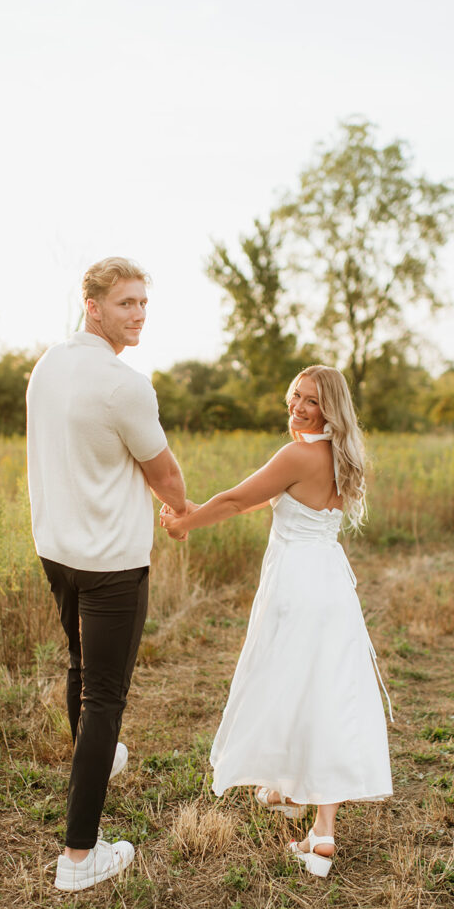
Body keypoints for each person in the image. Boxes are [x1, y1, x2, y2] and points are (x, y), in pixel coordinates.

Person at [161, 365, 393, 878]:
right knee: (325, 693)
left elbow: (238, 498)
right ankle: (320, 827)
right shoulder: (341, 455)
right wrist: (198, 509)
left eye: (311, 400)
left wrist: (184, 521)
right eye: (294, 395)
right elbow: (267, 500)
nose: (298, 406)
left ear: (330, 407)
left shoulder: (298, 454)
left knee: (291, 684)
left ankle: (289, 791)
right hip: (332, 585)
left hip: (297, 586)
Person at [27, 256, 187, 891]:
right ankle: (78, 858)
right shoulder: (125, 384)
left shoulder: (47, 366)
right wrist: (181, 510)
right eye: (126, 302)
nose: (140, 313)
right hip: (112, 564)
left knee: (79, 665)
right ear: (92, 305)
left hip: (57, 551)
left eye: (144, 302)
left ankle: (97, 761)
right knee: (105, 700)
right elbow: (165, 475)